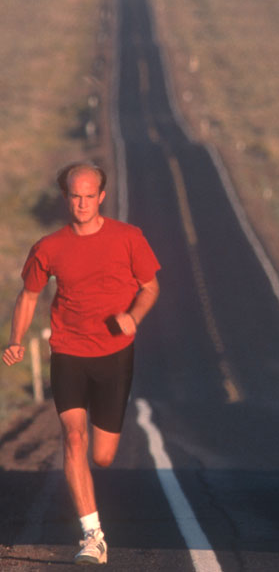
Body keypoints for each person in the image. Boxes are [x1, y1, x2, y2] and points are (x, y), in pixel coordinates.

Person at [2, 162, 160, 565]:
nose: (83, 203)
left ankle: (94, 513)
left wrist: (133, 318)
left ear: (101, 196)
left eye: (90, 196)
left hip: (114, 353)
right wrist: (16, 340)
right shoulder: (49, 247)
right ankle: (93, 535)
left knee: (103, 455)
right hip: (68, 350)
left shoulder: (128, 238)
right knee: (73, 437)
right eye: (76, 196)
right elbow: (29, 294)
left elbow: (149, 286)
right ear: (66, 196)